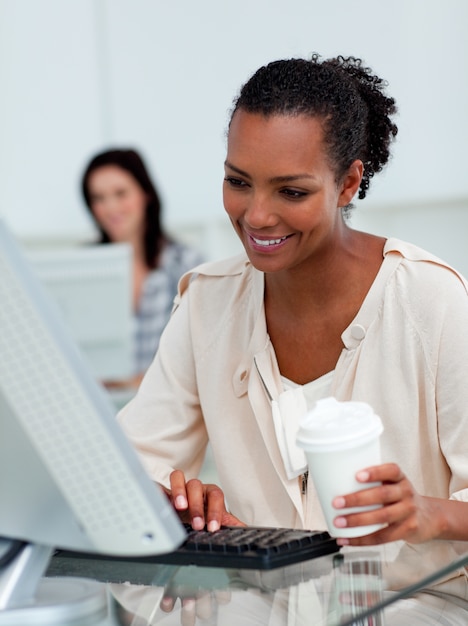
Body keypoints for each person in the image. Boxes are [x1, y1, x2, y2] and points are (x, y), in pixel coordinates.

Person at [117, 55, 468, 620]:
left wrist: (430, 514)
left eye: (291, 192)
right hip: (266, 602)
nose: (256, 215)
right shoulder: (208, 303)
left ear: (348, 182)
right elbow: (126, 471)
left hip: (415, 604)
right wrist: (171, 502)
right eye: (238, 182)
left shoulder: (432, 301)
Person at [81, 148, 204, 388]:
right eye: (98, 198)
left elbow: (203, 352)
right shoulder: (82, 271)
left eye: (121, 193)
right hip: (101, 410)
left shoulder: (186, 264)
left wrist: (136, 382)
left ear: (145, 193)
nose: (110, 207)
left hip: (167, 410)